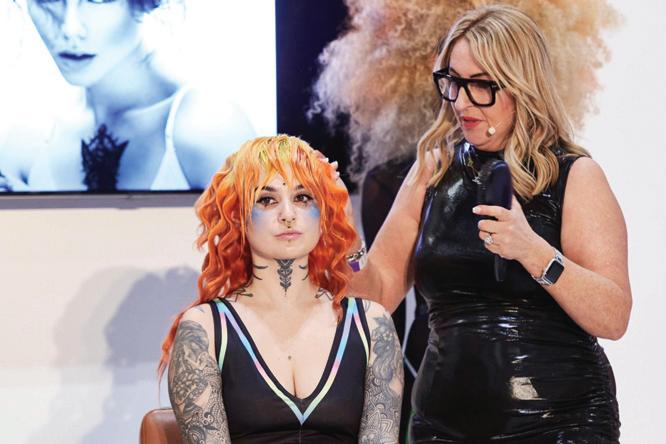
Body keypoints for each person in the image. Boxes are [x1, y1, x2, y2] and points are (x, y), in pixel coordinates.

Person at [310, 2, 619, 440]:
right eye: (453, 81)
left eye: (481, 85)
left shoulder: (575, 175)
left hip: (559, 423)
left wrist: (534, 252)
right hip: (442, 425)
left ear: (522, 86)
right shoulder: (432, 169)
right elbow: (376, 296)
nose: (461, 100)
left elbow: (613, 317)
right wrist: (341, 229)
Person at [159, 135, 403, 443]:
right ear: (237, 216)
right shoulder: (204, 330)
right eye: (267, 200)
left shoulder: (373, 324)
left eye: (303, 197)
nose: (288, 214)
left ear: (324, 211)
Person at [0, 0, 255, 192]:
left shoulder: (208, 127)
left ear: (145, 3)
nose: (70, 28)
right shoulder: (25, 141)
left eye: (98, 0)